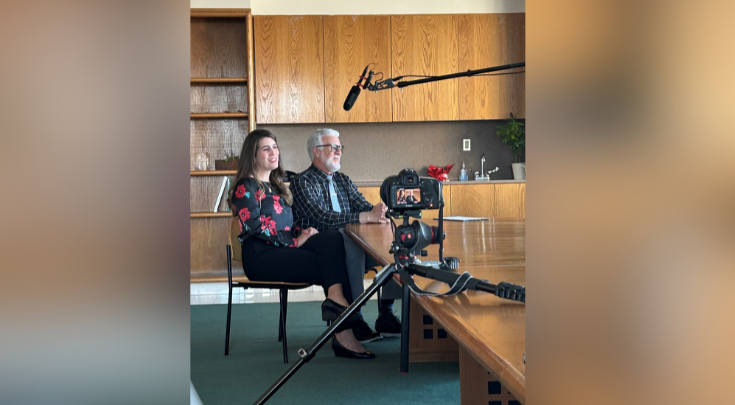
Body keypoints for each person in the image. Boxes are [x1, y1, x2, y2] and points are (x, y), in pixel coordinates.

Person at [228, 129, 375, 359]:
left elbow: (287, 225)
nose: (273, 152)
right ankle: (343, 329)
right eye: (266, 149)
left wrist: (302, 233)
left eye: (275, 147)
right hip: (261, 256)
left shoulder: (277, 187)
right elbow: (254, 227)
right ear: (253, 155)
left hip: (284, 249)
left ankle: (336, 301)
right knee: (331, 263)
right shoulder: (246, 187)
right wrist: (295, 242)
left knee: (330, 238)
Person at [290, 128, 403, 342]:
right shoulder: (302, 182)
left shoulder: (343, 180)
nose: (339, 151)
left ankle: (386, 315)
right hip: (323, 248)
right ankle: (354, 317)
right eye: (333, 147)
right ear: (316, 151)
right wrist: (363, 217)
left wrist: (380, 214)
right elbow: (321, 218)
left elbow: (366, 209)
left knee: (395, 246)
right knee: (351, 244)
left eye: (340, 147)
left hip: (351, 243)